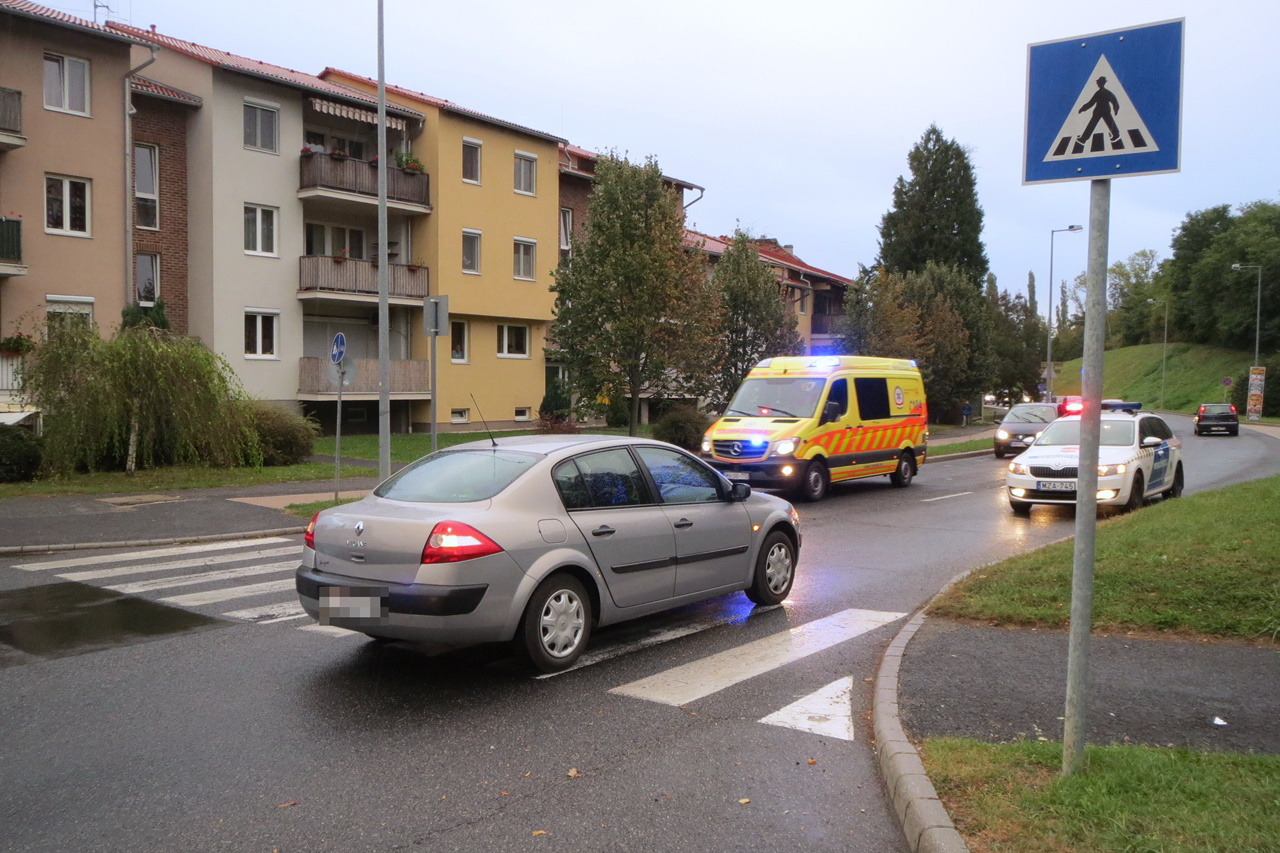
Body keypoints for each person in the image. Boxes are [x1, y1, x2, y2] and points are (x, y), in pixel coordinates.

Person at [1077, 76, 1121, 146]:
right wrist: (1116, 109)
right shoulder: (1107, 92)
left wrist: (1082, 109)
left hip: (1099, 111)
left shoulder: (1099, 93)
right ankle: (1116, 135)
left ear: (1100, 83)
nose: (1097, 84)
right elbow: (1114, 101)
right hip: (1105, 110)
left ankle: (1083, 139)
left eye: (1098, 82)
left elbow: (1091, 103)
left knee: (1092, 125)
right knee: (1109, 122)